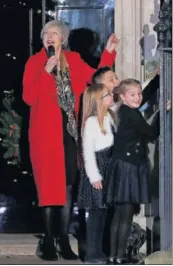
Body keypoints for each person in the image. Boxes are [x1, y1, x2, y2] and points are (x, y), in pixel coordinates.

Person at [22, 19, 119, 261]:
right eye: (46, 33)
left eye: (55, 33)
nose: (50, 37)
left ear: (63, 39)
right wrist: (45, 72)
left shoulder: (73, 60)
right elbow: (28, 97)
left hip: (70, 133)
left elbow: (96, 79)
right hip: (44, 134)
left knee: (66, 186)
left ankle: (63, 239)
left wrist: (108, 52)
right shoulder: (34, 62)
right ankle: (47, 240)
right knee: (47, 188)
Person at [104, 79, 167, 264]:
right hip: (128, 167)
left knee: (119, 214)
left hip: (122, 165)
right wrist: (163, 113)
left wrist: (157, 79)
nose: (138, 97)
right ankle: (120, 256)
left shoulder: (123, 111)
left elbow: (142, 95)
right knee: (125, 214)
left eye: (139, 94)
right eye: (133, 95)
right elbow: (151, 133)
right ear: (122, 97)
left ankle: (114, 256)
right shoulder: (131, 114)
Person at [77, 84, 116, 264]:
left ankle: (100, 250)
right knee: (96, 214)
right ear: (98, 101)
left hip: (109, 167)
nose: (111, 96)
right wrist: (94, 176)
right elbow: (88, 151)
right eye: (107, 95)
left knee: (104, 213)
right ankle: (92, 253)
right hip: (98, 169)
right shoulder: (92, 122)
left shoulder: (110, 116)